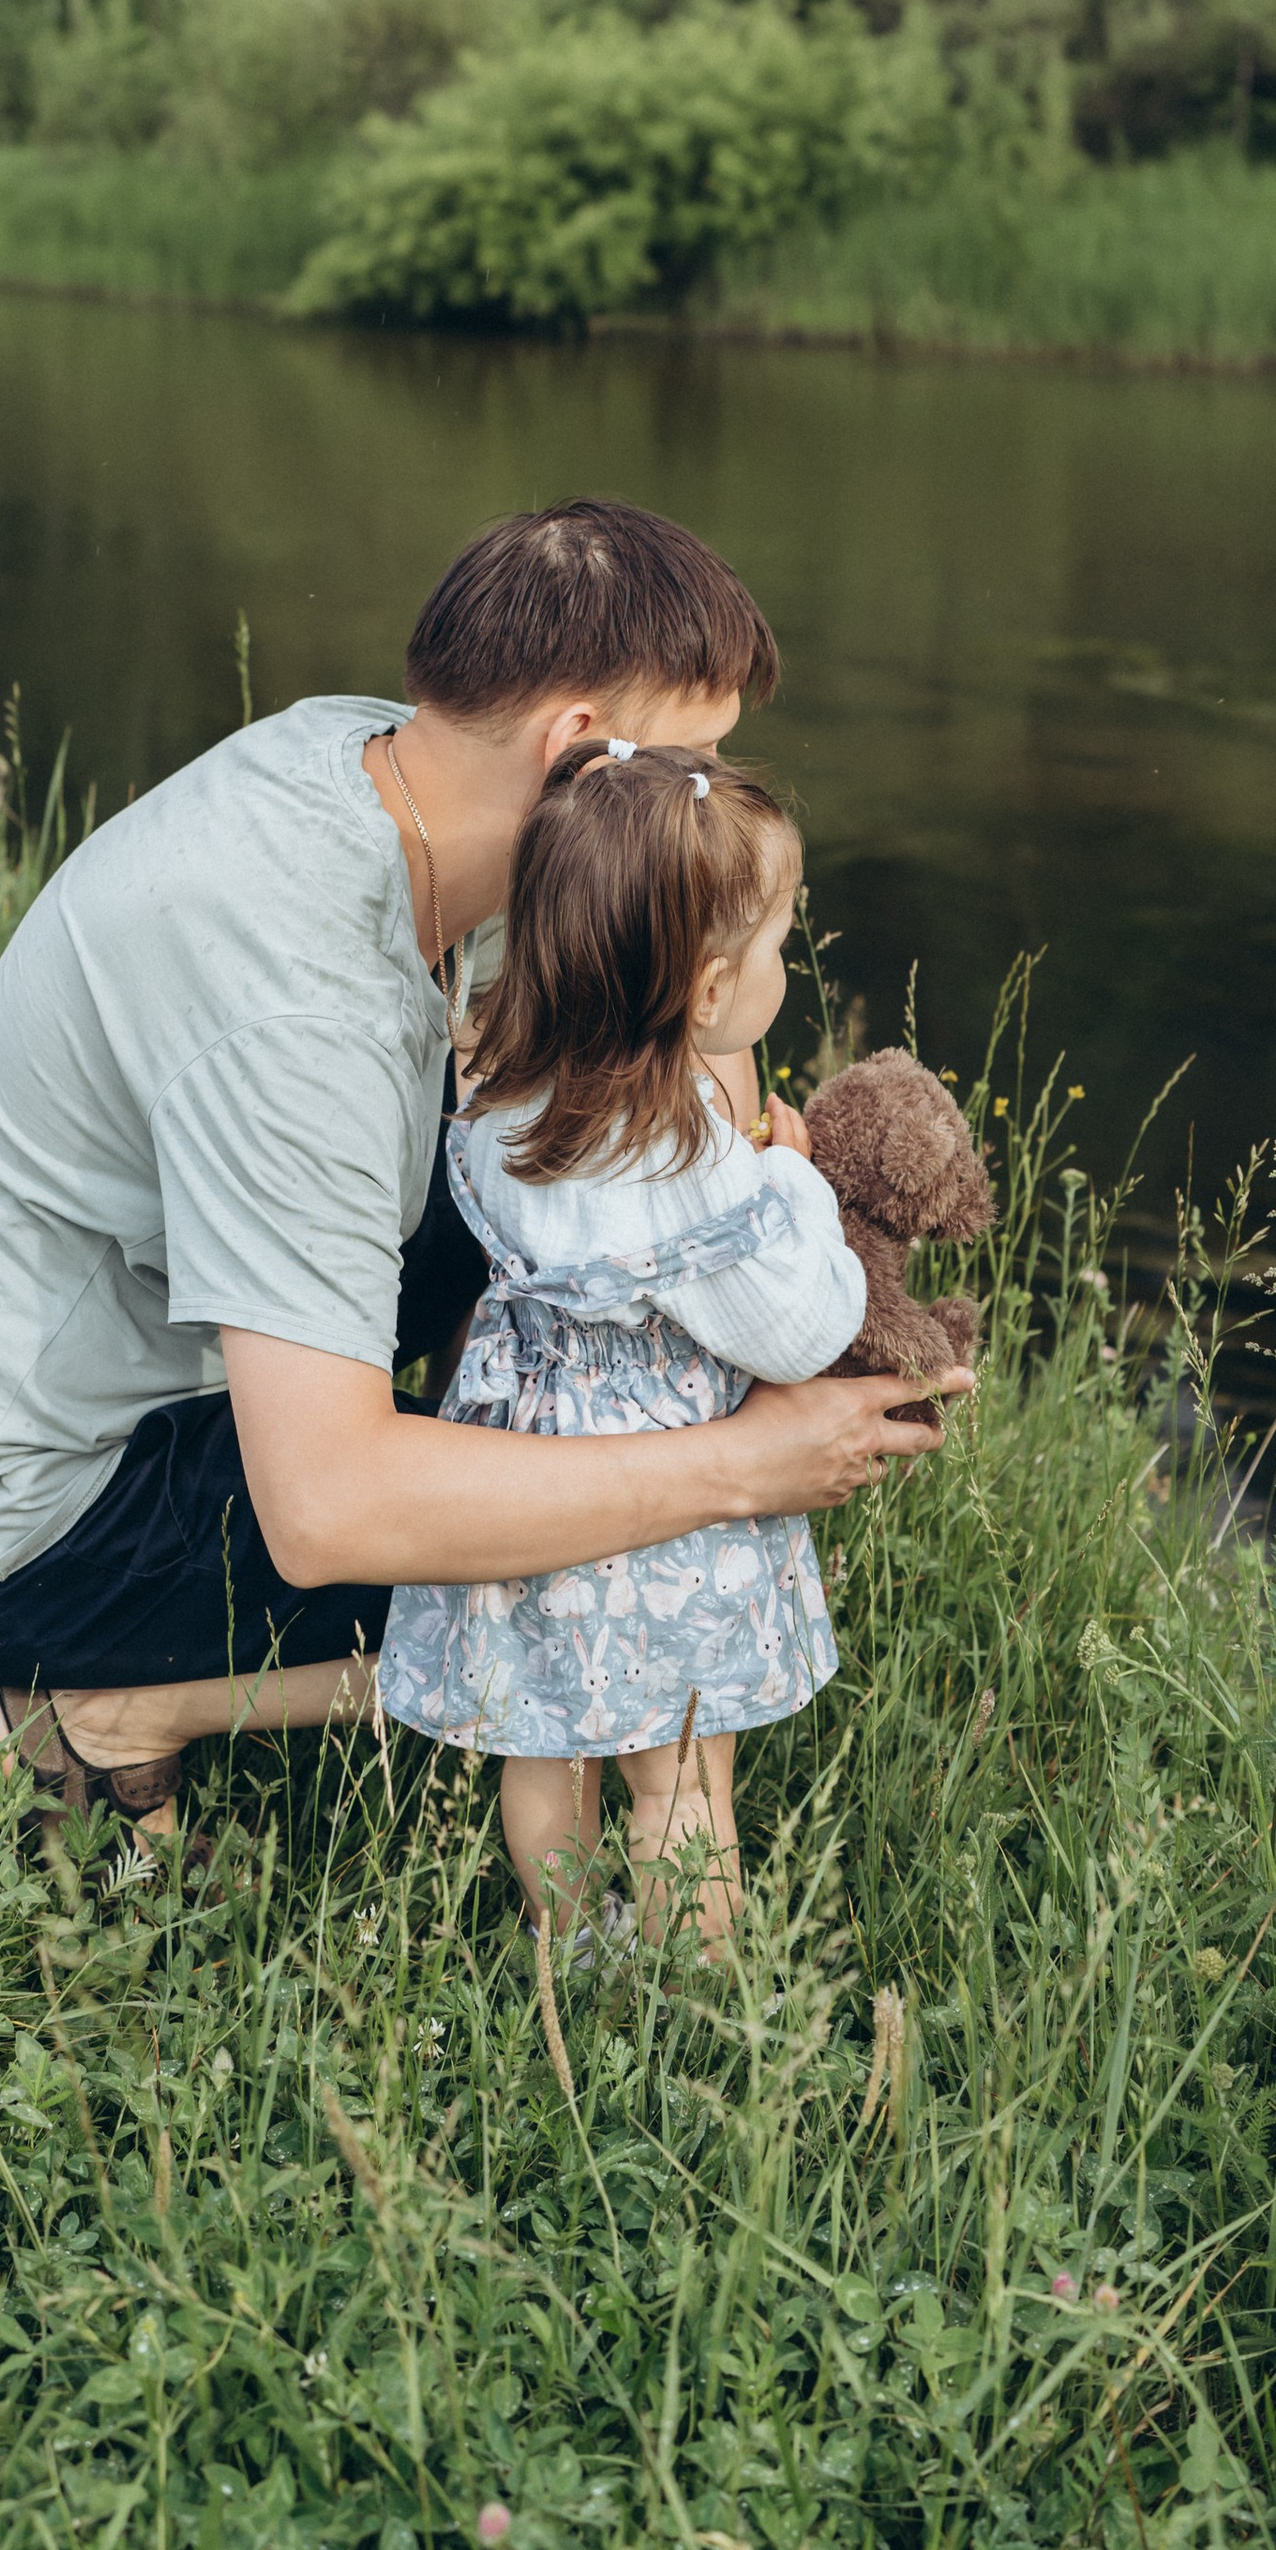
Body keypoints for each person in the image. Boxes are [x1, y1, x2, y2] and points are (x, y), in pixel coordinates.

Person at [0, 497, 958, 1862]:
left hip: (188, 1370)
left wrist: (747, 1231)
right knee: (646, 1565)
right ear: (577, 749)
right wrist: (742, 1463)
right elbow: (328, 1514)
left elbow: (664, 1061)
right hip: (41, 1522)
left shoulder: (399, 768)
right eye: (701, 765)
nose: (714, 810)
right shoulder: (298, 1001)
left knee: (642, 1437)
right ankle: (90, 1716)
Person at [379, 740, 862, 1947]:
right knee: (681, 1775)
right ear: (703, 992)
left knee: (548, 1750)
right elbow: (800, 1331)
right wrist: (792, 1181)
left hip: (530, 1482)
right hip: (660, 1510)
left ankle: (571, 1945)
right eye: (781, 946)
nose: (788, 967)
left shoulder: (501, 1094)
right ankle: (681, 1994)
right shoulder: (693, 1157)